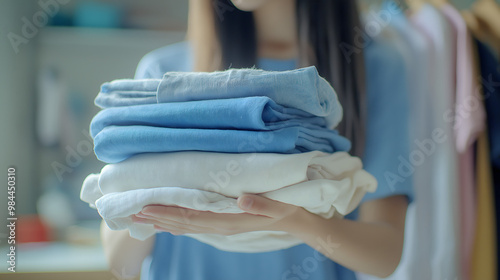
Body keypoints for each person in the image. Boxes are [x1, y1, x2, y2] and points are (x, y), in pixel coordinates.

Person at [101, 0, 414, 279]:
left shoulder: (371, 65)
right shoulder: (163, 75)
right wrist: (158, 195)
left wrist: (294, 221)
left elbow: (384, 256)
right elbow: (121, 263)